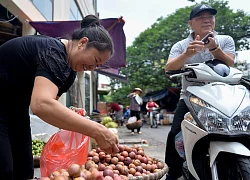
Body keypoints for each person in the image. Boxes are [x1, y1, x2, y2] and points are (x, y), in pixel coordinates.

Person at [0, 14, 119, 180]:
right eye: (95, 60)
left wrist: (70, 112)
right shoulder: (54, 52)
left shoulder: (69, 71)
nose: (92, 68)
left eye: (97, 66)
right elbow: (41, 104)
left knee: (24, 169)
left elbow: (50, 103)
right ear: (83, 43)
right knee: (4, 169)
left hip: (16, 109)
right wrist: (97, 131)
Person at [164, 4, 235, 180]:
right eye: (200, 17)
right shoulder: (181, 45)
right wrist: (187, 54)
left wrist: (214, 48)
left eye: (210, 16)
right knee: (174, 133)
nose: (206, 20)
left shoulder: (225, 40)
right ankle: (172, 173)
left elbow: (230, 63)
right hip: (190, 97)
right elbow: (168, 68)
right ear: (190, 24)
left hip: (223, 96)